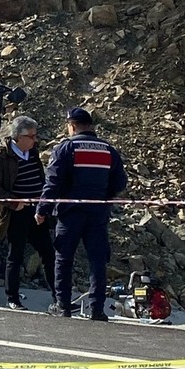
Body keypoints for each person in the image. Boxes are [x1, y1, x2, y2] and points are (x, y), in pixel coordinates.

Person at [36, 107, 127, 321]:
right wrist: (104, 196)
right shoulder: (108, 150)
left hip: (71, 213)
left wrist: (43, 209)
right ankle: (97, 309)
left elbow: (53, 182)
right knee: (97, 260)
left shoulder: (67, 148)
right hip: (98, 213)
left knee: (64, 258)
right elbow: (120, 182)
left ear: (72, 125)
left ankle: (63, 306)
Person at [0, 115, 56, 310]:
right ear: (18, 137)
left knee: (49, 254)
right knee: (15, 255)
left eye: (35, 136)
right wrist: (14, 203)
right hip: (16, 213)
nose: (35, 140)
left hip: (37, 211)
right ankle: (13, 299)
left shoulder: (32, 153)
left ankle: (59, 298)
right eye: (31, 136)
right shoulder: (1, 155)